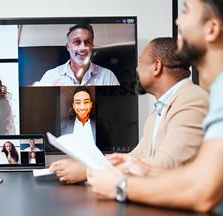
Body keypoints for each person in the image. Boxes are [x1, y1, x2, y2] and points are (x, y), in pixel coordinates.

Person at [87, 0, 223, 216]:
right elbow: (205, 173)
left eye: (186, 11)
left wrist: (120, 185)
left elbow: (203, 190)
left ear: (212, 29)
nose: (178, 20)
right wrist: (146, 169)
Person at [50, 38, 209, 183]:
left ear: (156, 67)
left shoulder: (192, 101)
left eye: (140, 62)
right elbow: (135, 157)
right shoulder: (158, 111)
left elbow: (167, 164)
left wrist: (88, 171)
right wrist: (86, 163)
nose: (137, 69)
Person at [36, 23, 119, 86]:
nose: (82, 48)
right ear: (68, 47)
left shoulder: (108, 76)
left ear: (92, 46)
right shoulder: (51, 76)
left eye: (87, 42)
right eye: (77, 42)